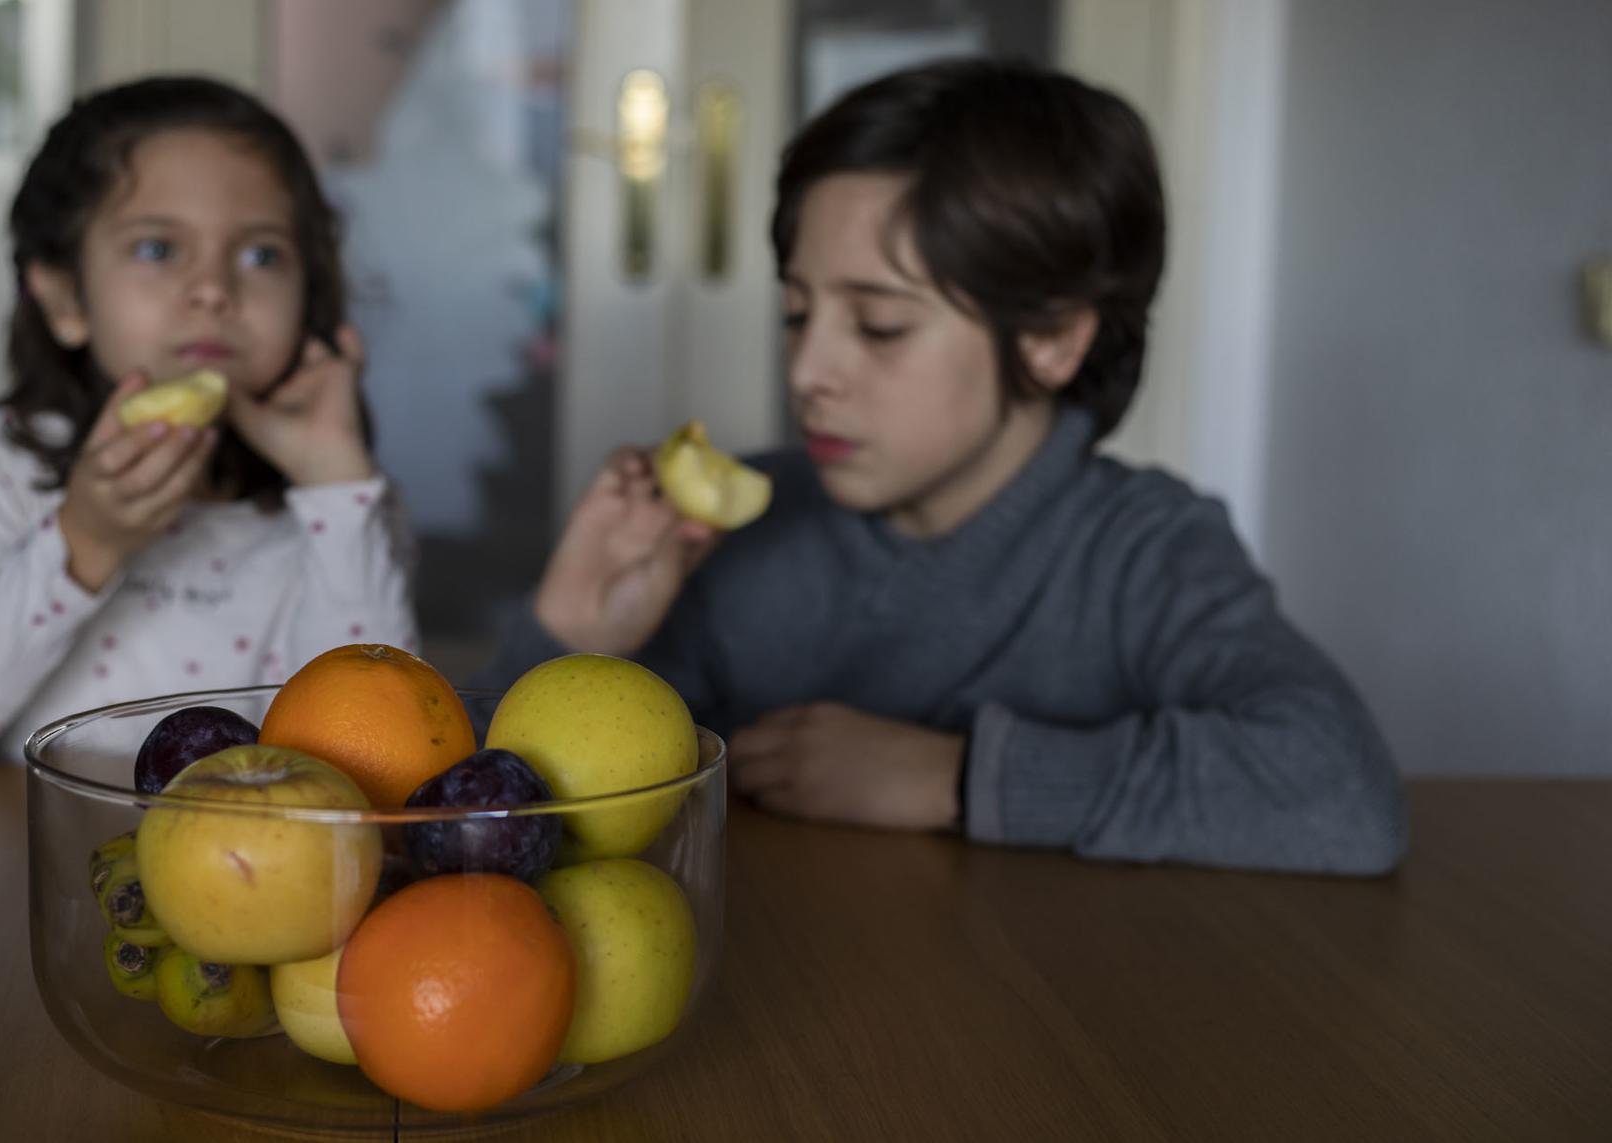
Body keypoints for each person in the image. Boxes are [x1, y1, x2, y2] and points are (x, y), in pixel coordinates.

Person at [477, 59, 1406, 875]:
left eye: (879, 324)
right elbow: (490, 828)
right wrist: (571, 637)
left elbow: (1342, 796)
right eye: (800, 312)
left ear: (1050, 337)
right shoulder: (741, 537)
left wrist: (952, 775)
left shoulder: (1146, 552)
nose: (807, 374)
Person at [0, 77, 417, 770]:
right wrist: (86, 540)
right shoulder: (11, 461)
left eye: (261, 255)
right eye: (159, 249)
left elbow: (379, 762)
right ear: (66, 297)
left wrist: (337, 484)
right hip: (42, 861)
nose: (215, 289)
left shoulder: (348, 503)